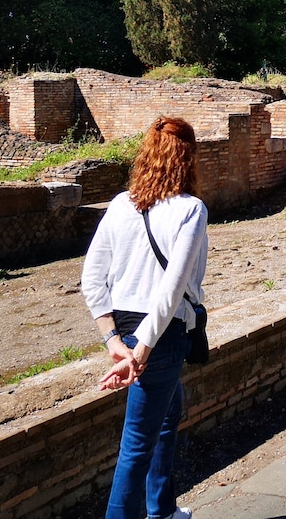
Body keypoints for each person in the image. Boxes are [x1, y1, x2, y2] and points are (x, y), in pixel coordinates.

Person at [82, 117, 208, 519]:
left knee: (168, 414)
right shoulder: (191, 210)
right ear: (188, 158)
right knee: (136, 444)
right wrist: (141, 351)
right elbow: (171, 289)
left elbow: (91, 278)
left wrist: (113, 339)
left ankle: (162, 510)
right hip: (162, 333)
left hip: (127, 326)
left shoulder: (121, 204)